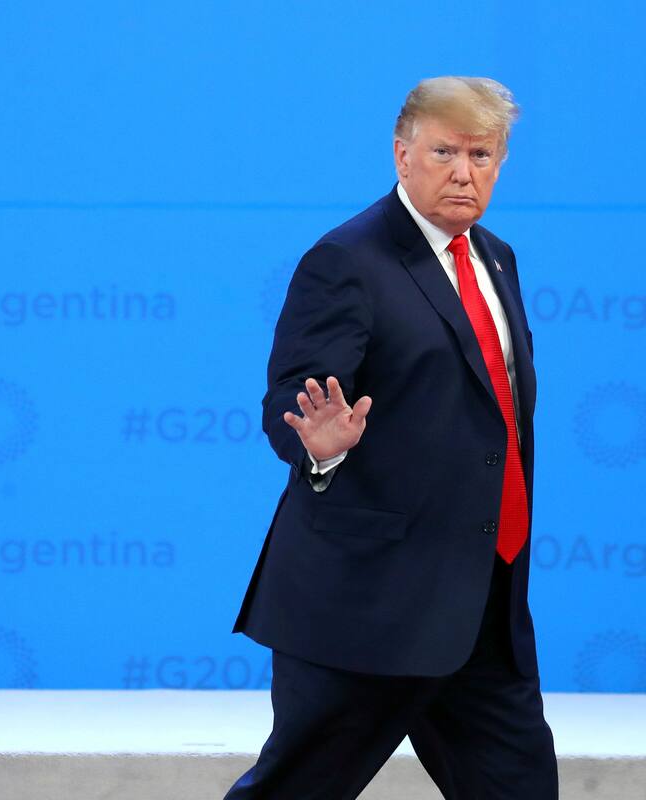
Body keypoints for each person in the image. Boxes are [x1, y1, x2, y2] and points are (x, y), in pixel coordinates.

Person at [225, 77, 558, 798]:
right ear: (402, 155)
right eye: (444, 152)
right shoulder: (348, 259)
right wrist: (320, 445)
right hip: (370, 604)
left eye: (481, 155)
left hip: (483, 604)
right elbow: (292, 398)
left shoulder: (497, 258)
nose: (463, 172)